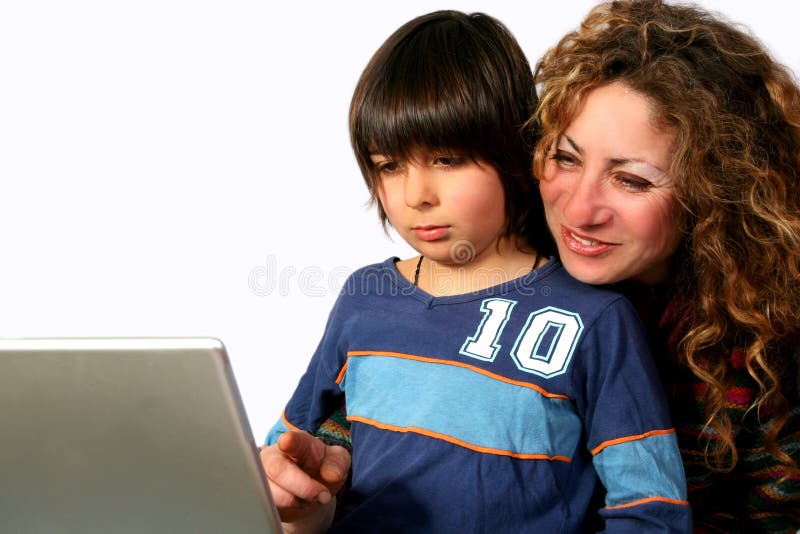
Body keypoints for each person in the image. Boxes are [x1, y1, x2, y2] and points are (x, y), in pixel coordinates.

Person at [260, 9, 691, 534]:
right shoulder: (364, 298)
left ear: (517, 151)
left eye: (447, 159)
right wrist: (295, 490)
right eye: (389, 165)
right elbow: (284, 467)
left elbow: (651, 512)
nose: (416, 196)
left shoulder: (596, 318)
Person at [531, 0, 800, 531]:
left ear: (713, 193)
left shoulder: (765, 345)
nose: (580, 211)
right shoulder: (499, 276)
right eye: (566, 157)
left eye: (631, 180)